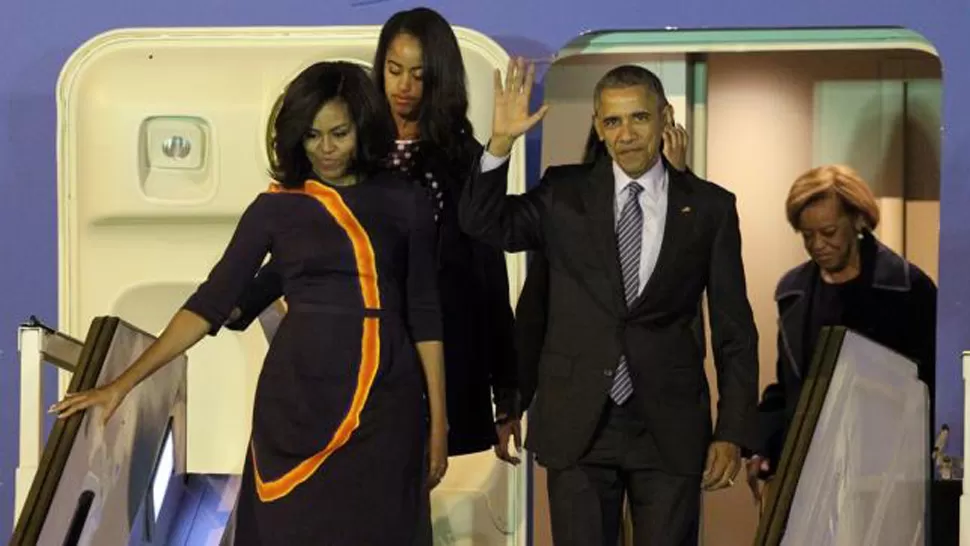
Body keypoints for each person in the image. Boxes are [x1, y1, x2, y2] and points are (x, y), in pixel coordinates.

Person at [51, 61, 447, 545]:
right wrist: (121, 385)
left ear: (363, 128)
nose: (325, 149)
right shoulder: (276, 207)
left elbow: (426, 316)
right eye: (311, 135)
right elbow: (211, 301)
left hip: (387, 398)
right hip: (298, 398)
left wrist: (439, 423)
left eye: (338, 133)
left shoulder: (404, 201)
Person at [223, 7, 521, 543]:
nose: (405, 86)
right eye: (394, 69)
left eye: (420, 74)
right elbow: (308, 243)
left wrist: (508, 391)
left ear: (442, 78)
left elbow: (487, 278)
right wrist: (238, 302)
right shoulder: (352, 145)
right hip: (350, 357)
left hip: (425, 353)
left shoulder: (461, 160)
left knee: (391, 510)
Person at [459, 59, 760, 546]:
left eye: (639, 118)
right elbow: (481, 223)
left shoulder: (709, 207)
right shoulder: (564, 193)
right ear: (598, 128)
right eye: (613, 121)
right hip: (579, 422)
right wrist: (499, 145)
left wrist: (732, 430)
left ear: (664, 118)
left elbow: (734, 331)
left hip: (669, 426)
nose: (626, 134)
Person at [746, 164, 937, 503]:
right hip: (810, 475)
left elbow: (930, 386)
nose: (818, 244)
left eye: (829, 232)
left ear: (858, 221)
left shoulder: (909, 289)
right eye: (807, 235)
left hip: (886, 477)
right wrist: (764, 445)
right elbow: (788, 388)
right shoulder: (793, 293)